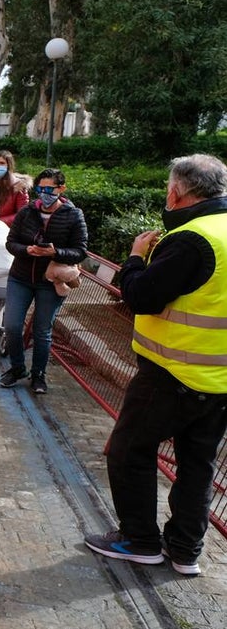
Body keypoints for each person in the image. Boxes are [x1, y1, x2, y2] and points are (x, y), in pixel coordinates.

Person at [85, 155, 227, 575]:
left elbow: (142, 297)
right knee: (198, 465)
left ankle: (140, 541)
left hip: (172, 374)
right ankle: (185, 551)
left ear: (176, 192)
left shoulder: (191, 239)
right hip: (219, 380)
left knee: (129, 451)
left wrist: (135, 257)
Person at [0, 168, 87, 394]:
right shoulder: (27, 211)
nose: (44, 194)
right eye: (40, 189)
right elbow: (11, 242)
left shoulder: (73, 215)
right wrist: (26, 249)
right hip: (20, 277)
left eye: (50, 189)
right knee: (12, 325)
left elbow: (80, 251)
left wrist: (55, 253)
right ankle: (17, 368)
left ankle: (39, 374)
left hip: (50, 280)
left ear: (61, 189)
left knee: (42, 330)